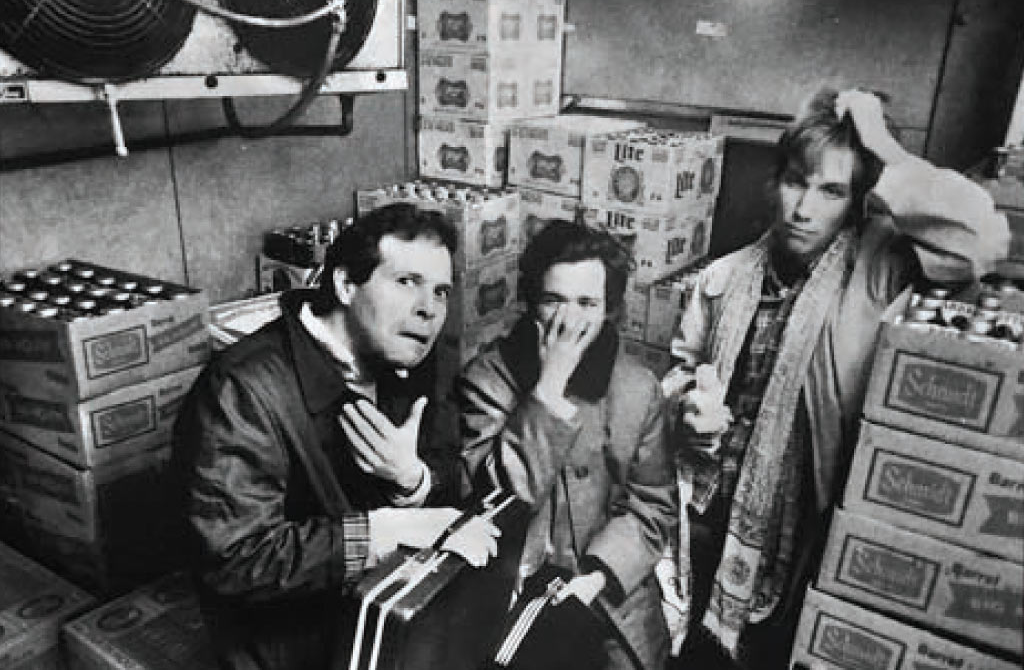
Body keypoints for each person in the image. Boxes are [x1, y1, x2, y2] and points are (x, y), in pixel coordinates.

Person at [662, 88, 1010, 668]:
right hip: (704, 518)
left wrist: (882, 147)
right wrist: (686, 412)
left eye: (831, 191)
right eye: (798, 181)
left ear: (855, 202)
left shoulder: (874, 271)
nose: (804, 209)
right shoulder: (724, 277)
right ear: (775, 182)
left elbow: (981, 242)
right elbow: (679, 368)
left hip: (800, 537)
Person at [173, 203, 500, 670]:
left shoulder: (411, 357)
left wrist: (412, 481)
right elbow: (236, 559)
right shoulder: (243, 388)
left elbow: (450, 479)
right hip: (289, 655)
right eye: (407, 282)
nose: (429, 309)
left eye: (441, 290)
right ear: (346, 285)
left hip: (385, 629)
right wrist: (387, 531)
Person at [456, 221, 678, 670]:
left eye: (587, 303)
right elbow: (492, 501)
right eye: (553, 300)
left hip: (610, 595)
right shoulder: (486, 380)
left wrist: (597, 577)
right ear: (531, 302)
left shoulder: (638, 388)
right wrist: (548, 392)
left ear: (609, 309)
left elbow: (654, 506)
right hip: (513, 596)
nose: (568, 320)